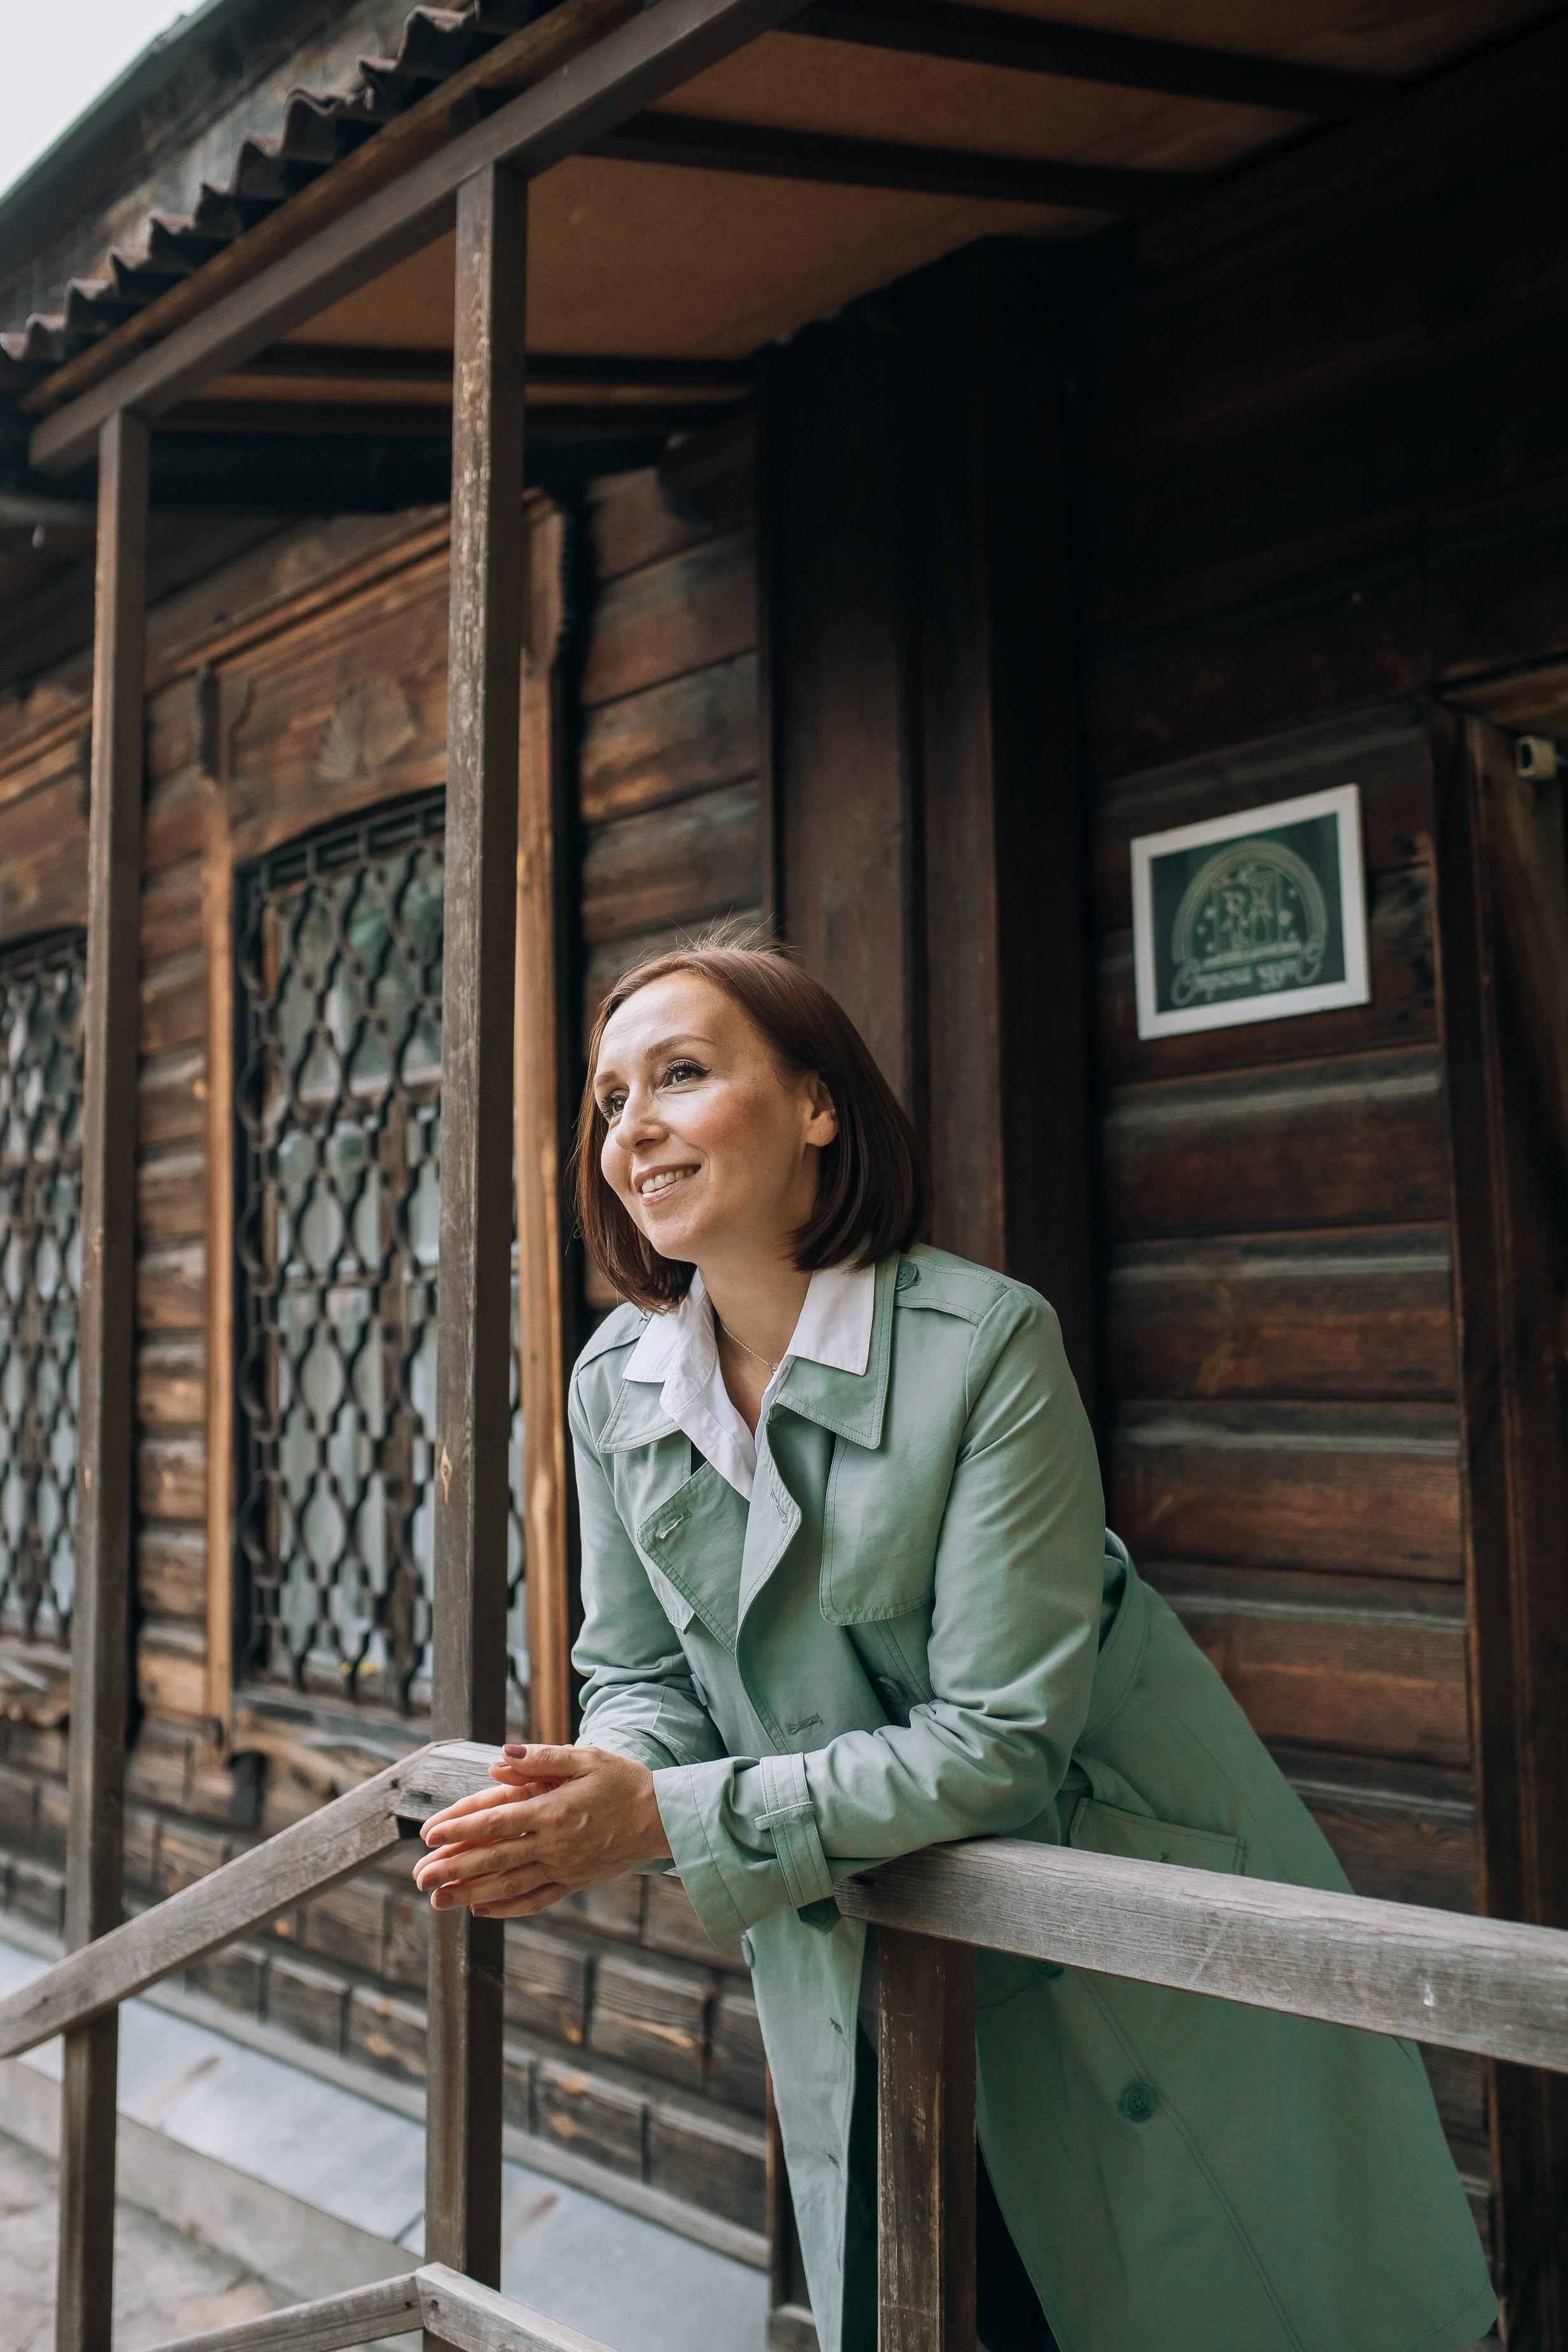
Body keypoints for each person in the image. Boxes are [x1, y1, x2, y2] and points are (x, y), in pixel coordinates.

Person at [413, 934, 1495, 2352]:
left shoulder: (986, 1342)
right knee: (934, 2293)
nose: (635, 1127)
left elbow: (997, 1740)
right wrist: (595, 1782)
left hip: (1114, 1920)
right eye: (611, 1099)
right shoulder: (615, 1380)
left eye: (682, 1073)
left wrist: (658, 1814)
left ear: (816, 1104)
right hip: (859, 1931)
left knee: (1209, 2292)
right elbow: (640, 1673)